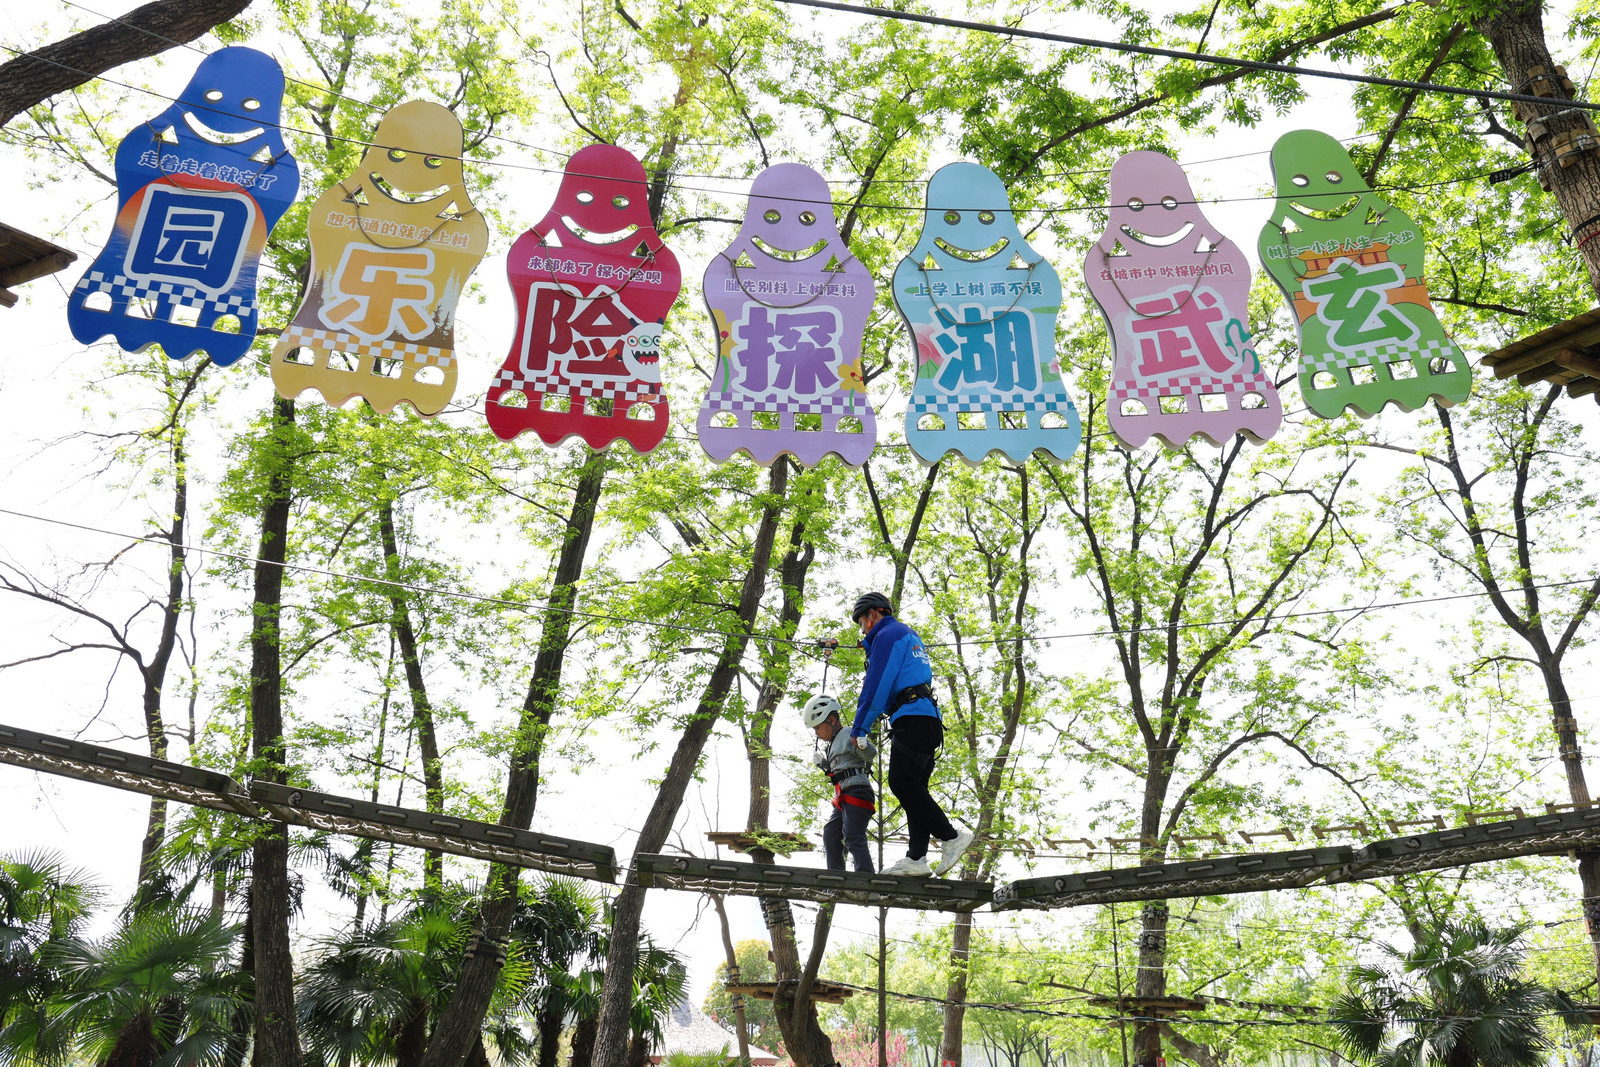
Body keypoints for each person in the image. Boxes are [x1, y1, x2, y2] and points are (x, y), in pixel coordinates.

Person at [847, 592, 973, 877]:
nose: (862, 629)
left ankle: (951, 836)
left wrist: (860, 726)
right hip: (925, 718)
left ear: (873, 614)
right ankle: (916, 858)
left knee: (902, 783)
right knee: (915, 789)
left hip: (913, 719)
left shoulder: (888, 634)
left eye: (861, 622)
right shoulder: (906, 634)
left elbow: (877, 684)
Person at [802, 694, 875, 874]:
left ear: (832, 720)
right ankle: (835, 879)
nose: (816, 733)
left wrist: (863, 745)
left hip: (857, 791)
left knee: (853, 835)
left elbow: (870, 754)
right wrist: (824, 765)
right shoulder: (832, 744)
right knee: (831, 834)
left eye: (817, 727)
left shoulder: (849, 733)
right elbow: (840, 771)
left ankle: (866, 878)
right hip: (844, 794)